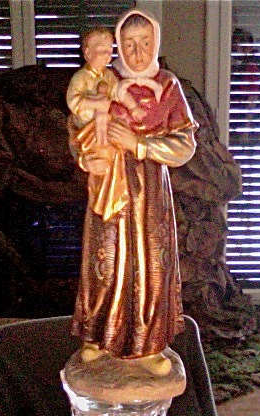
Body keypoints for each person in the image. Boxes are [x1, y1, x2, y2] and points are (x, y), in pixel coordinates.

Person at [67, 9, 198, 376]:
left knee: (148, 263)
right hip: (108, 185)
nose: (138, 53)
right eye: (128, 45)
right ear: (117, 48)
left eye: (145, 43)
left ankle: (148, 343)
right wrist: (84, 159)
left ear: (156, 43)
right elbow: (77, 127)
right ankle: (98, 335)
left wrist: (140, 144)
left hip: (150, 190)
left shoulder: (168, 86)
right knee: (105, 260)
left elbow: (185, 145)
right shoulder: (105, 81)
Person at [66, 26, 147, 221]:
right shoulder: (80, 78)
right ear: (87, 53)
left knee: (116, 152)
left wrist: (134, 108)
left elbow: (120, 93)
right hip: (87, 130)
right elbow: (74, 102)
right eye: (102, 51)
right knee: (98, 160)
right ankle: (103, 199)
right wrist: (95, 103)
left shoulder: (109, 77)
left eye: (110, 51)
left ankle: (116, 198)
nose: (107, 56)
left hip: (105, 126)